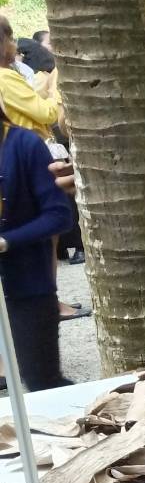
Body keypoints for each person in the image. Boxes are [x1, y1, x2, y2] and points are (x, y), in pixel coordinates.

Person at [0, 93, 77, 391]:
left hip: (28, 286)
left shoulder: (24, 145)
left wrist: (6, 241)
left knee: (42, 379)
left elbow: (59, 217)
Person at [0, 17, 60, 140]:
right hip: (32, 152)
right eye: (11, 40)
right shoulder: (5, 77)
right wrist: (56, 85)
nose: (15, 46)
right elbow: (47, 113)